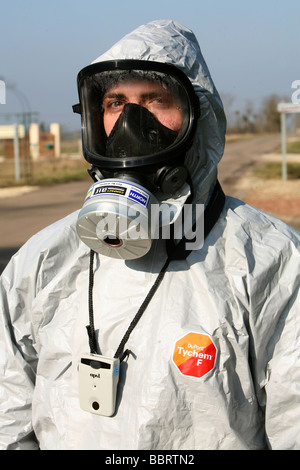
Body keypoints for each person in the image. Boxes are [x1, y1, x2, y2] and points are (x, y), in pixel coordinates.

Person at [0, 19, 299, 451]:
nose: (130, 124)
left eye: (155, 99)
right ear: (93, 117)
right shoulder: (43, 260)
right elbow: (8, 420)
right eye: (115, 102)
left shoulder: (269, 260)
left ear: (199, 116)